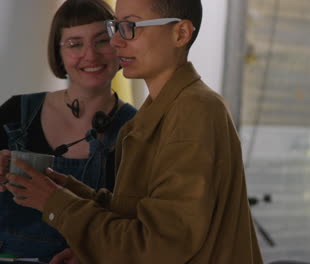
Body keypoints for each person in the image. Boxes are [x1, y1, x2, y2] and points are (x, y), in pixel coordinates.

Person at [5, 0, 263, 263]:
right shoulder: (158, 112)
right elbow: (134, 213)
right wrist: (66, 190)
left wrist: (55, 203)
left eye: (130, 27)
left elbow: (159, 246)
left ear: (180, 34)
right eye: (116, 27)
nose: (116, 42)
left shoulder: (195, 110)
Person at [0, 0, 137, 262]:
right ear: (58, 53)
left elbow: (135, 226)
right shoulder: (15, 112)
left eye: (101, 41)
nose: (91, 55)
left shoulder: (139, 130)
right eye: (75, 44)